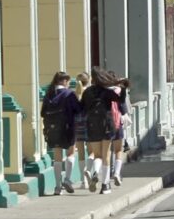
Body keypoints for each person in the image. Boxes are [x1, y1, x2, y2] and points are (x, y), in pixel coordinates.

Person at [81, 67, 128, 195]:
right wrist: (123, 88)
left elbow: (81, 109)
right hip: (106, 125)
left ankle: (95, 172)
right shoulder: (106, 92)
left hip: (92, 125)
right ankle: (105, 185)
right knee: (106, 155)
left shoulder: (88, 92)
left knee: (97, 155)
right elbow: (120, 101)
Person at [41, 72, 82, 195]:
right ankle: (68, 180)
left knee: (57, 157)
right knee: (70, 153)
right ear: (64, 81)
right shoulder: (69, 94)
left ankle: (57, 187)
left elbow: (43, 113)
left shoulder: (49, 94)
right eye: (68, 82)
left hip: (53, 129)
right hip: (68, 127)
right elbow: (79, 109)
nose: (69, 84)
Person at [74, 72, 93, 190]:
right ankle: (88, 172)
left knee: (80, 153)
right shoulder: (91, 92)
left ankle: (83, 181)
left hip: (78, 124)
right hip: (90, 124)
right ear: (89, 80)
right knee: (92, 152)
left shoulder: (74, 94)